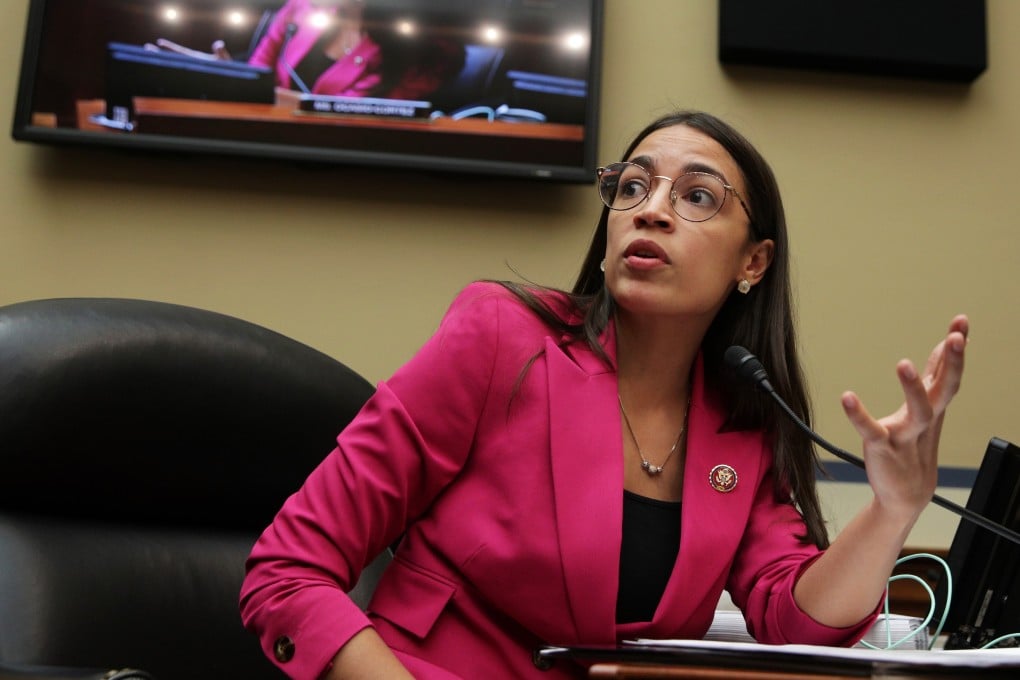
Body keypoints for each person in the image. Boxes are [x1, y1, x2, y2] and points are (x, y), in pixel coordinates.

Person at [239, 110, 968, 679]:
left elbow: (794, 621)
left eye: (697, 197)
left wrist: (892, 509)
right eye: (633, 187)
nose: (650, 211)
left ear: (754, 261)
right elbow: (289, 570)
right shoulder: (500, 338)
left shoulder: (742, 421)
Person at [152, 0, 464, 100]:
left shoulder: (423, 55)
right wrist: (213, 70)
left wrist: (243, 86)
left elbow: (344, 116)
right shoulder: (301, 9)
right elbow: (258, 71)